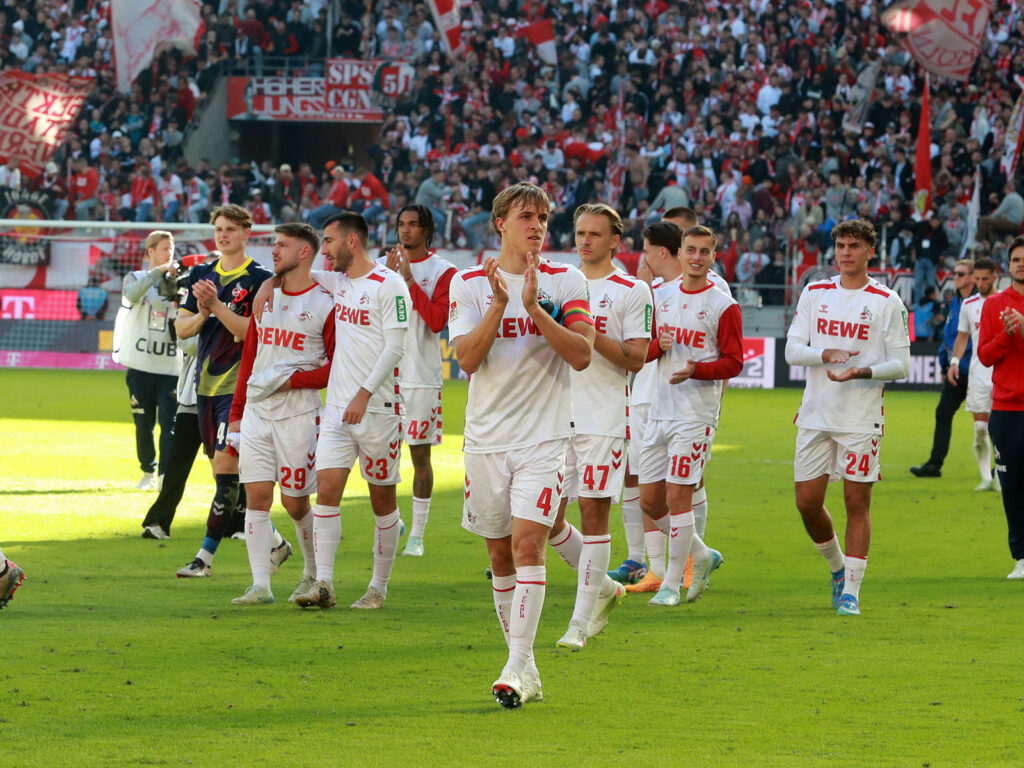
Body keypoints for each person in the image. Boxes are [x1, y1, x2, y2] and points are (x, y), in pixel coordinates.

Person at [448, 183, 595, 708]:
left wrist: (535, 309)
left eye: (542, 217)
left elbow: (581, 354)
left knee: (527, 544)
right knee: (498, 553)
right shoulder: (468, 284)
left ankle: (512, 665)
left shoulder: (566, 279)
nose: (536, 225)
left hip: (545, 438)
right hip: (486, 439)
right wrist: (500, 305)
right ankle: (526, 665)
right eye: (525, 216)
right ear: (500, 225)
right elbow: (465, 359)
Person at [286, 211, 411, 610]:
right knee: (326, 493)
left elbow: (395, 347)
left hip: (379, 410)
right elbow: (293, 269)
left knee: (382, 502)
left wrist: (363, 394)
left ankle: (378, 587)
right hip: (338, 411)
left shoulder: (390, 286)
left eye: (328, 241)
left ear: (351, 241)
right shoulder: (336, 281)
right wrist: (266, 282)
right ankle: (324, 583)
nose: (324, 250)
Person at [785, 219, 911, 616]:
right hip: (816, 414)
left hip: (860, 415)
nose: (845, 252)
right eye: (840, 245)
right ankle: (838, 567)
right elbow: (792, 350)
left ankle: (852, 592)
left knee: (857, 501)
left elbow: (902, 364)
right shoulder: (815, 292)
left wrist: (862, 371)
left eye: (854, 246)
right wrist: (824, 355)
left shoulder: (886, 300)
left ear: (870, 251)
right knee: (807, 503)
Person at [546, 203, 651, 650]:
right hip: (552, 415)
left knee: (593, 514)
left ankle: (580, 620)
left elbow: (636, 357)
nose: (584, 240)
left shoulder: (632, 290)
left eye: (595, 234)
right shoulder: (557, 282)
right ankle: (605, 588)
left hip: (603, 417)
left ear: (615, 240)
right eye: (580, 232)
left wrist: (583, 331)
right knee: (545, 516)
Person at [173, 205, 288, 578]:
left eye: (230, 229)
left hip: (239, 390)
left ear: (246, 233)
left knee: (226, 473)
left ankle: (203, 560)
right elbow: (182, 329)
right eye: (219, 229)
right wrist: (205, 311)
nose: (223, 235)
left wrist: (215, 305)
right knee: (226, 479)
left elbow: (250, 332)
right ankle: (276, 543)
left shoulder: (260, 279)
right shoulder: (201, 274)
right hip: (204, 387)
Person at [228, 223, 335, 605]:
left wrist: (295, 381)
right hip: (258, 412)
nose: (274, 250)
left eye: (282, 245)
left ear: (304, 252)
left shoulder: (325, 302)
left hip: (299, 414)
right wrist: (237, 413)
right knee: (256, 495)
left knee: (294, 502)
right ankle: (261, 585)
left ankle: (311, 572)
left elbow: (336, 368)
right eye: (274, 244)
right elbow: (251, 358)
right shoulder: (265, 298)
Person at [639, 223, 741, 607]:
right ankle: (703, 555)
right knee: (650, 501)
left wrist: (697, 370)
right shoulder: (660, 295)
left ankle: (670, 585)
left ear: (713, 257)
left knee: (678, 495)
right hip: (659, 408)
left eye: (704, 251)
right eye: (690, 250)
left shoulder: (722, 305)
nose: (696, 257)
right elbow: (645, 351)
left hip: (696, 413)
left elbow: (734, 362)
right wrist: (655, 346)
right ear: (678, 253)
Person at [381, 204, 457, 557]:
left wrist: (409, 279)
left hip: (422, 376)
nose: (405, 230)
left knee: (420, 456)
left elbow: (439, 320)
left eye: (413, 225)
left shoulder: (444, 272)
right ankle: (393, 523)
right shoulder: (381, 267)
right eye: (401, 224)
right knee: (380, 456)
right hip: (384, 378)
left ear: (427, 230)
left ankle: (418, 536)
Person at [113, 230, 182, 490]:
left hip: (170, 367)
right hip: (141, 366)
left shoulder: (177, 280)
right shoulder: (137, 277)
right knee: (143, 424)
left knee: (169, 424)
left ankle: (165, 473)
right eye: (164, 248)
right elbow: (130, 296)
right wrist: (156, 273)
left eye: (172, 249)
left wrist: (175, 281)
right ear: (150, 251)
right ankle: (147, 471)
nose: (169, 254)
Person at [977, 236, 1024, 580]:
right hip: (1006, 410)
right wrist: (1007, 335)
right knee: (1013, 487)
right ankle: (1021, 558)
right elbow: (985, 355)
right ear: (1009, 265)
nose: (1021, 263)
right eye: (1016, 259)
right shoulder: (994, 305)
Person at [910, 260, 976, 478]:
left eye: (960, 274)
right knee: (943, 413)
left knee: (989, 421)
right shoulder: (956, 302)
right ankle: (934, 464)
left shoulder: (980, 302)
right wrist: (944, 365)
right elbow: (949, 336)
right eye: (954, 273)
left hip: (978, 371)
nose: (955, 277)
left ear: (973, 277)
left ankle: (1001, 465)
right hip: (956, 370)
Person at [947, 257, 1001, 491]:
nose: (980, 283)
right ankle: (986, 478)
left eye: (985, 279)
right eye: (977, 278)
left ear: (995, 277)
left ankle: (1000, 477)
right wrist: (955, 361)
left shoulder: (1005, 301)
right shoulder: (968, 305)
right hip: (979, 373)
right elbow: (962, 337)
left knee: (1001, 430)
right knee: (980, 428)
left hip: (1003, 374)